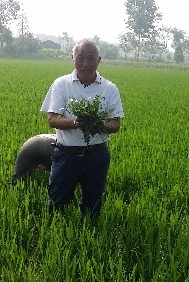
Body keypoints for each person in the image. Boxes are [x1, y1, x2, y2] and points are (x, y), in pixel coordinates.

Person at [40, 39, 124, 218]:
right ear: (72, 58)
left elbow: (116, 125)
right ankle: (56, 236)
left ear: (99, 60)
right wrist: (76, 122)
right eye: (80, 58)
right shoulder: (61, 84)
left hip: (96, 156)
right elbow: (52, 120)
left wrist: (97, 125)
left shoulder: (109, 89)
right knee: (57, 203)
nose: (85, 64)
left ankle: (89, 237)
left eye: (91, 58)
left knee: (92, 206)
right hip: (65, 155)